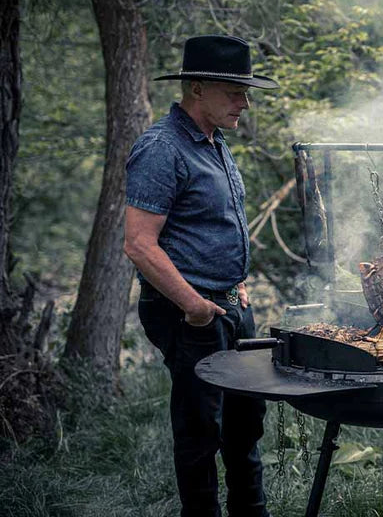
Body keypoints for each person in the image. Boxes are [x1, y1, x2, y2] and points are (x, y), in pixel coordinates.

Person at [124, 35, 278, 517]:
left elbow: (211, 226)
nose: (244, 102)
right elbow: (139, 243)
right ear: (196, 88)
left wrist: (236, 282)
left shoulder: (214, 143)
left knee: (245, 419)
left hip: (229, 303)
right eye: (233, 91)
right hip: (189, 311)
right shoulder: (161, 148)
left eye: (245, 92)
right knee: (200, 430)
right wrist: (193, 305)